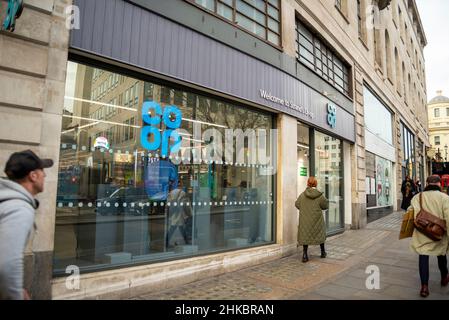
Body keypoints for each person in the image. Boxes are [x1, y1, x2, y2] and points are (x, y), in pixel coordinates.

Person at [0, 150, 53, 300]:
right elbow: (7, 266)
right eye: (42, 171)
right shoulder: (19, 209)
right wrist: (14, 294)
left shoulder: (6, 200)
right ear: (33, 176)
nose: (45, 175)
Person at [409, 175, 449, 298]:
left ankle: (424, 287)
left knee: (423, 257)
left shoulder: (417, 197)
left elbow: (410, 214)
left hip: (422, 233)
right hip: (439, 234)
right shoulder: (445, 198)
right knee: (441, 254)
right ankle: (444, 277)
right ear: (439, 184)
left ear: (427, 184)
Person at [295, 176, 329, 263]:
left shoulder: (302, 195)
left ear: (307, 183)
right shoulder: (320, 195)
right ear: (316, 184)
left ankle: (305, 255)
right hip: (317, 219)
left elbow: (297, 204)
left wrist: (305, 208)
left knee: (305, 235)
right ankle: (322, 252)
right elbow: (325, 206)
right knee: (320, 234)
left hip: (305, 220)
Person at [166, 181, 192, 247]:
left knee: (176, 226)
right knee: (177, 227)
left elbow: (168, 203)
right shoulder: (182, 193)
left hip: (173, 212)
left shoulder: (171, 193)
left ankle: (166, 242)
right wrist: (189, 213)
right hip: (180, 212)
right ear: (181, 185)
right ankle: (186, 241)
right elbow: (185, 205)